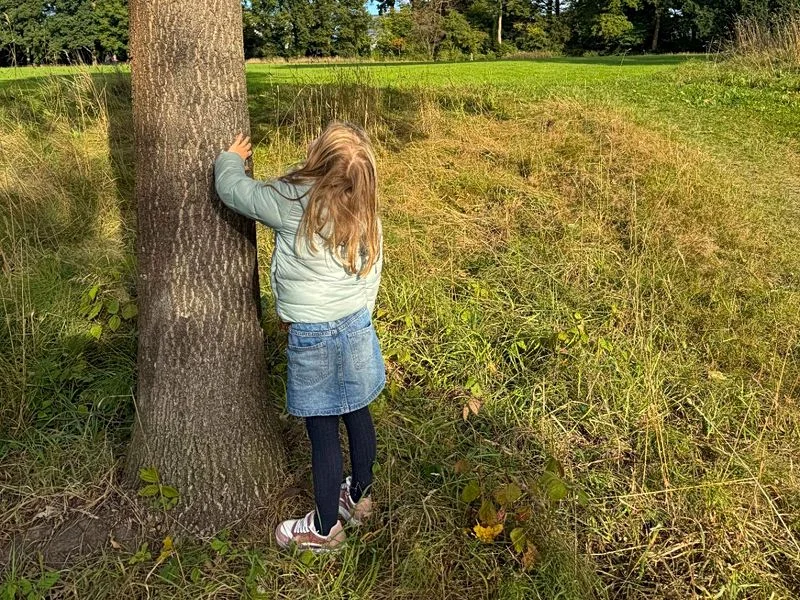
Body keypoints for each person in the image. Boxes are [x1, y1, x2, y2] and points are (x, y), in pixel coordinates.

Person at [214, 122, 384, 553]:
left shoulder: (293, 200)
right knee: (358, 412)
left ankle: (324, 528)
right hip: (356, 324)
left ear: (318, 158)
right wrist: (362, 314)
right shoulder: (366, 207)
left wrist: (230, 159)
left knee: (322, 429)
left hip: (313, 331)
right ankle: (359, 498)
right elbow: (373, 271)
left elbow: (235, 192)